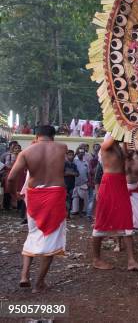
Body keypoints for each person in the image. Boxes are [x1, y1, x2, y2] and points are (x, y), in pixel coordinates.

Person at [7, 125, 67, 293]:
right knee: (51, 238)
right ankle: (39, 283)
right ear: (53, 136)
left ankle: (24, 276)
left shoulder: (26, 152)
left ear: (36, 135)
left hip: (34, 197)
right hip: (55, 195)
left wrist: (14, 195)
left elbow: (11, 177)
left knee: (33, 234)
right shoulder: (62, 148)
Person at [91, 135, 138, 271]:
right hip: (108, 183)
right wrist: (121, 124)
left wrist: (127, 137)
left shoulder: (120, 148)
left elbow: (128, 155)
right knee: (101, 222)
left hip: (121, 184)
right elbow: (114, 136)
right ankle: (96, 259)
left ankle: (131, 261)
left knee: (126, 220)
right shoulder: (105, 146)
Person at [71, 149, 90, 218]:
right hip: (74, 183)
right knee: (73, 197)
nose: (81, 154)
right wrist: (76, 152)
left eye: (83, 153)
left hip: (83, 183)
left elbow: (88, 173)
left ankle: (81, 212)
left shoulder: (86, 162)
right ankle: (73, 211)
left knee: (82, 198)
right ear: (77, 153)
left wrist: (89, 181)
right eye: (80, 153)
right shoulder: (74, 161)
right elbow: (70, 158)